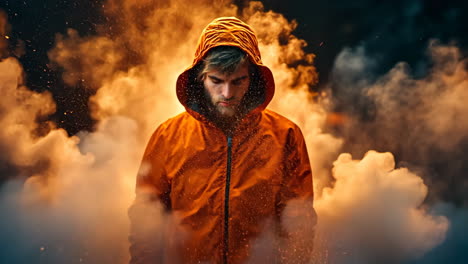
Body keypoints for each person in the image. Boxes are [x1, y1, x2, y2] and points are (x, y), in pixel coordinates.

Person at [128, 17, 317, 264]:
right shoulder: (168, 136)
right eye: (216, 81)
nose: (227, 94)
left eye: (238, 81)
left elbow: (298, 224)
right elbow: (146, 222)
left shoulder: (285, 135)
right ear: (200, 78)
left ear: (253, 79)